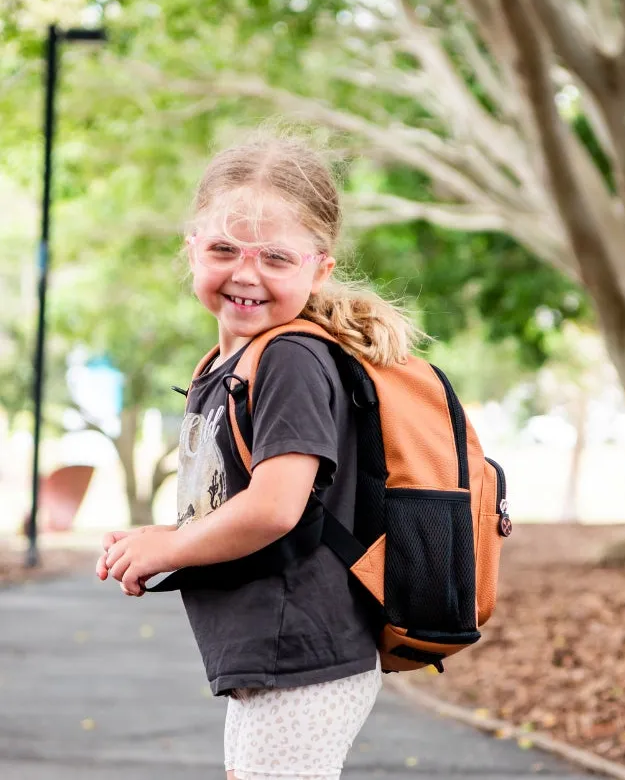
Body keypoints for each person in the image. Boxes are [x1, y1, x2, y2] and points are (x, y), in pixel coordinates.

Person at [96, 133, 416, 780]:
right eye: (223, 249)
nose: (246, 274)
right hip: (271, 658)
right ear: (191, 248)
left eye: (275, 257)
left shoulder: (291, 359)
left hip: (302, 651)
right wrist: (162, 537)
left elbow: (275, 507)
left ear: (319, 268)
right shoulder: (226, 364)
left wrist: (169, 548)